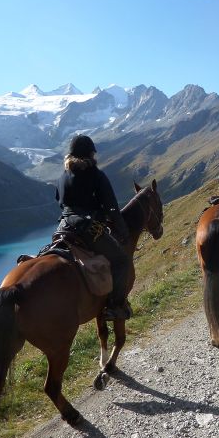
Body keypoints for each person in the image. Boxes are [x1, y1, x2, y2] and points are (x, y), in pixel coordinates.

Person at [56, 134, 133, 321]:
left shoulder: (63, 175)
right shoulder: (96, 175)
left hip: (63, 227)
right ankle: (114, 307)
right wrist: (124, 232)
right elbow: (112, 207)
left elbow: (60, 202)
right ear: (90, 154)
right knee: (122, 261)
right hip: (87, 227)